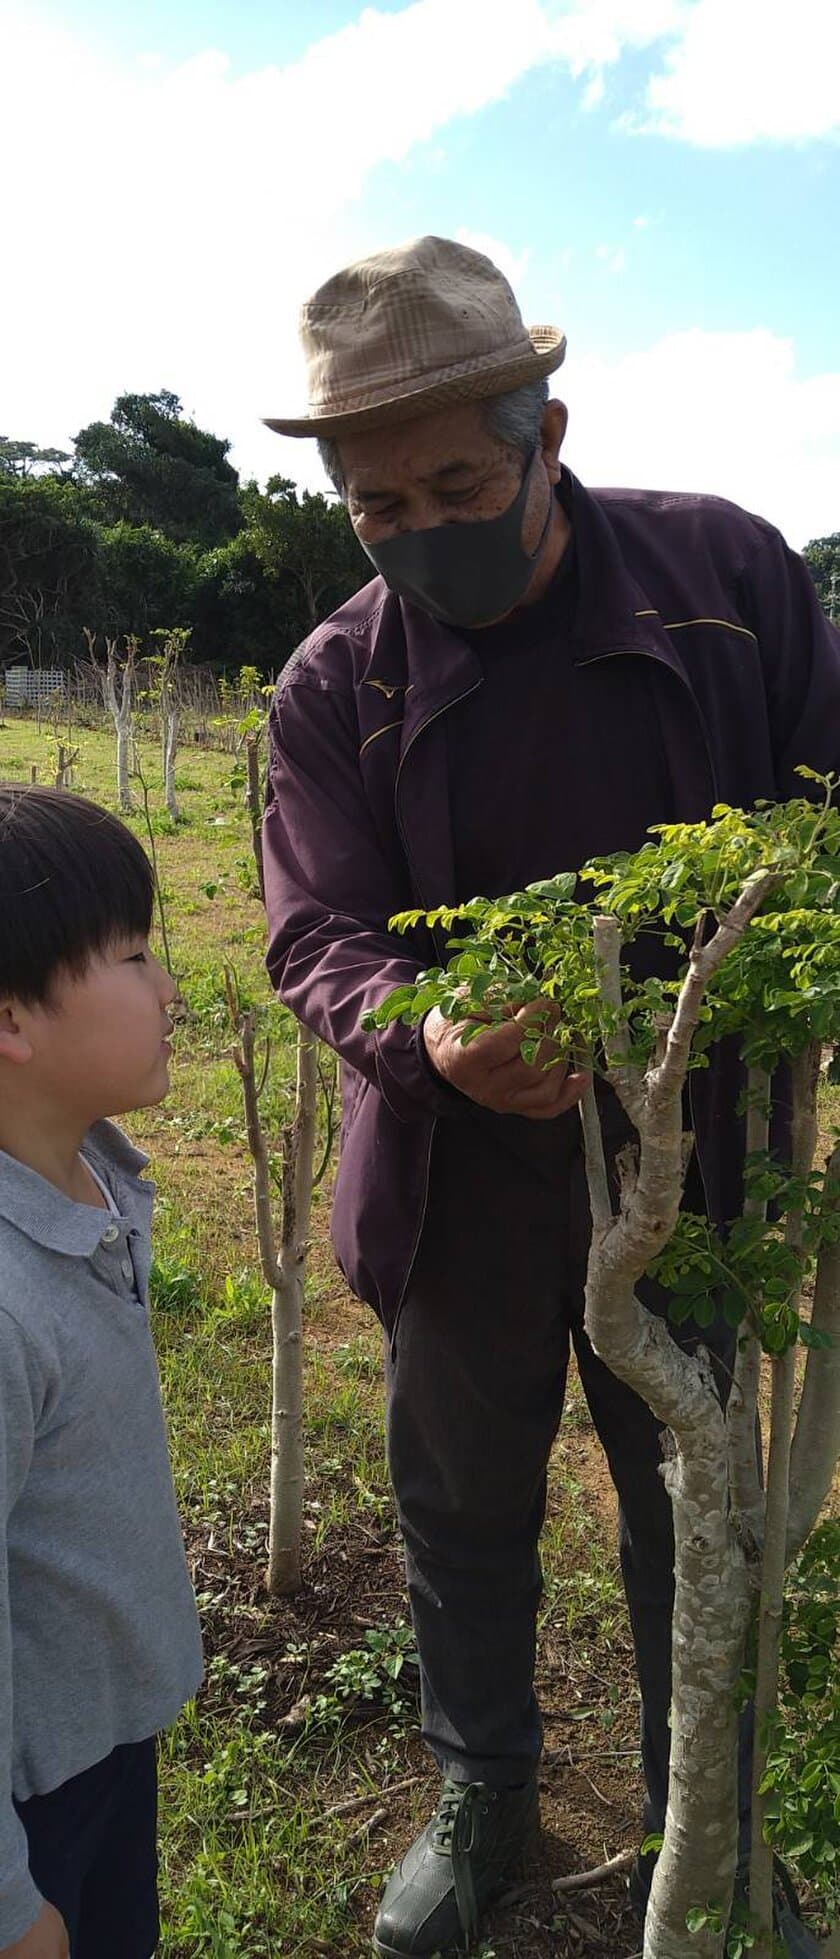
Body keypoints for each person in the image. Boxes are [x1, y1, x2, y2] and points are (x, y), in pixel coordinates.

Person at [261, 235, 840, 1958]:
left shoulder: (726, 578)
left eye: (454, 481)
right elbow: (312, 928)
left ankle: (705, 1810)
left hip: (693, 1158)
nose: (419, 523)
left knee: (691, 1494)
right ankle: (487, 1782)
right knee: (461, 1495)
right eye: (376, 504)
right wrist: (422, 1034)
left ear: (547, 431)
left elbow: (824, 810)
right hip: (454, 1175)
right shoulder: (334, 682)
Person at [0, 787, 203, 1959]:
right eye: (133, 957)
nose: (171, 987)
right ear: (13, 1020)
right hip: (35, 1803)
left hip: (101, 1742)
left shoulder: (89, 1185)